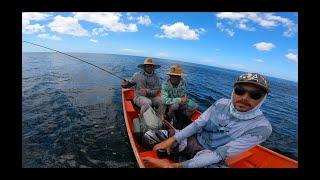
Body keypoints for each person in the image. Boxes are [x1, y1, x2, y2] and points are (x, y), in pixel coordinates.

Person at [142, 73, 272, 168]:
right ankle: (181, 154)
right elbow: (197, 124)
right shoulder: (221, 103)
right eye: (239, 91)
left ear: (263, 99)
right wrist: (172, 140)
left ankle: (179, 160)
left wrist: (173, 166)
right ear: (233, 91)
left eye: (254, 95)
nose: (244, 97)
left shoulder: (262, 128)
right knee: (150, 136)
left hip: (212, 153)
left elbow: (220, 154)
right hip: (193, 140)